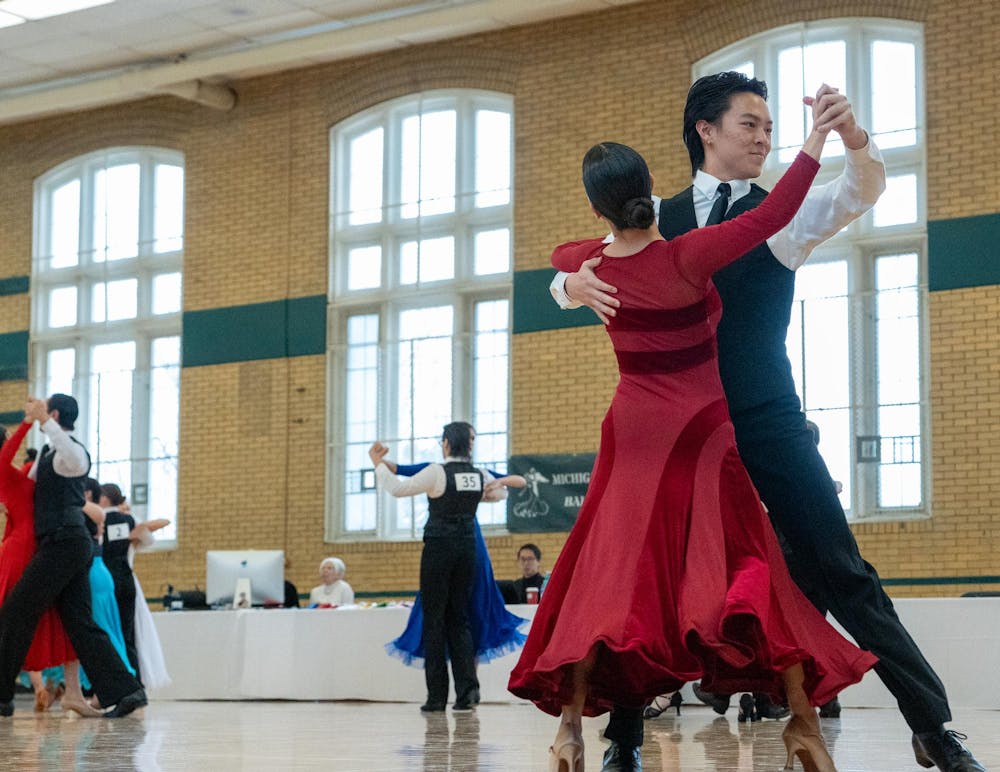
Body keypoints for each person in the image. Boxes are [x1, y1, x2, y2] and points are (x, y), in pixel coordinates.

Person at [551, 72, 983, 772]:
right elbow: (582, 260)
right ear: (706, 131)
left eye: (770, 126)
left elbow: (863, 190)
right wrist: (564, 284)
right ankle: (624, 741)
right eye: (750, 123)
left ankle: (933, 725)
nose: (764, 136)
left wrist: (853, 138)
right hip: (675, 433)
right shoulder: (651, 217)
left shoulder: (787, 211)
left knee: (840, 569)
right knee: (639, 577)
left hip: (765, 418)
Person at [509, 104, 879, 772]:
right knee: (749, 567)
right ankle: (802, 722)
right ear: (650, 189)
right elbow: (772, 215)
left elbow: (560, 255)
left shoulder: (596, 265)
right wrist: (816, 139)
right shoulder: (685, 257)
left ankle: (569, 730)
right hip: (704, 435)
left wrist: (571, 275)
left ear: (599, 211)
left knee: (611, 577)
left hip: (632, 436)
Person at [0, 394, 146, 718]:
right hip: (68, 544)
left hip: (64, 544)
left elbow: (78, 461)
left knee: (17, 609)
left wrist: (43, 422)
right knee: (79, 623)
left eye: (46, 414)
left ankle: (2, 696)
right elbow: (27, 480)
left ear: (53, 413)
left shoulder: (72, 451)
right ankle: (127, 689)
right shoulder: (48, 455)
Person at [370, 422, 508, 713]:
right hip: (467, 550)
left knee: (434, 620)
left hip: (439, 549)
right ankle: (468, 692)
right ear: (466, 444)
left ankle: (436, 697)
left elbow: (398, 488)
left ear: (446, 443)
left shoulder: (436, 471)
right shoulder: (478, 473)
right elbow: (499, 494)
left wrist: (378, 465)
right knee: (459, 620)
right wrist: (491, 491)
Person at [381, 456, 528, 667]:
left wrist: (500, 481)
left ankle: (467, 680)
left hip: (470, 541)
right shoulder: (436, 470)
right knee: (444, 608)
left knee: (473, 605)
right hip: (449, 541)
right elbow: (398, 469)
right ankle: (458, 677)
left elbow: (519, 480)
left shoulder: (478, 472)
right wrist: (379, 460)